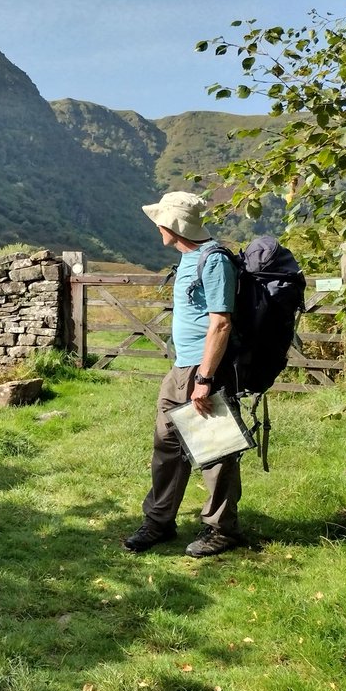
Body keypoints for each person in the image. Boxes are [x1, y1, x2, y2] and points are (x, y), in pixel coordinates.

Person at [123, 191, 243, 558]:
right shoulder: (189, 258)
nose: (156, 226)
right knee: (168, 443)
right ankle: (159, 521)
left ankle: (221, 530)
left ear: (171, 225)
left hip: (204, 368)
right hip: (181, 368)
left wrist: (205, 378)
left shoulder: (214, 260)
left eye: (160, 220)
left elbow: (221, 323)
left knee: (215, 450)